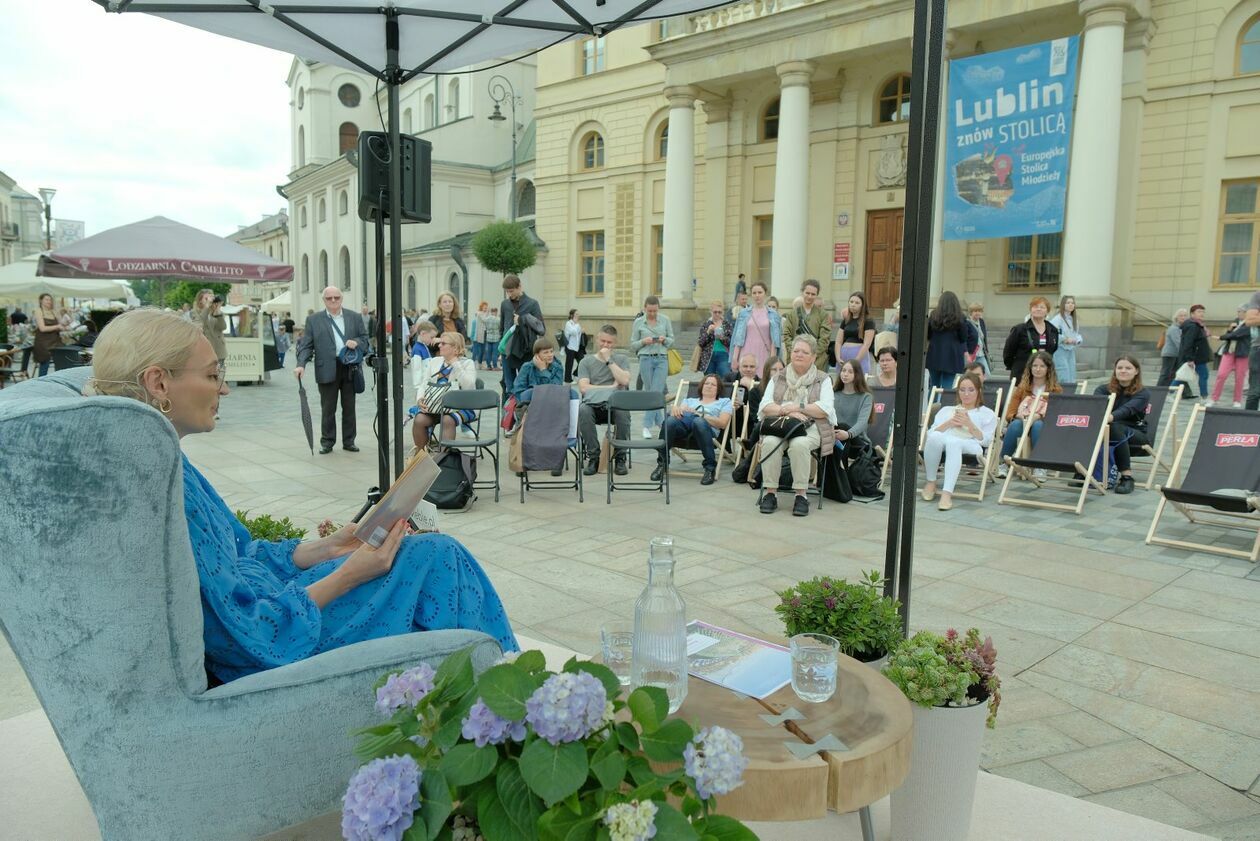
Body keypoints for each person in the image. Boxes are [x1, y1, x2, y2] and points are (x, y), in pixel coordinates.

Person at [85, 308, 517, 683]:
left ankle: (487, 694)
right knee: (438, 556)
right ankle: (511, 707)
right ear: (158, 383)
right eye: (214, 375)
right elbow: (249, 634)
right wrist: (349, 573)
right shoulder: (159, 492)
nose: (225, 389)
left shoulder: (164, 465)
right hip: (273, 643)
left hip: (279, 603)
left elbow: (242, 554)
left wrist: (328, 547)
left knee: (430, 554)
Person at [757, 337, 837, 517]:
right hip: (782, 425)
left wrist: (798, 407)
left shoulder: (822, 380)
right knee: (769, 442)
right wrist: (788, 412)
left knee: (799, 444)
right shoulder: (779, 378)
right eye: (796, 351)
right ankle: (770, 493)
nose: (799, 354)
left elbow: (825, 409)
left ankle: (801, 495)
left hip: (812, 427)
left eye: (804, 352)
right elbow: (765, 406)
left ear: (814, 357)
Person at [294, 286, 369, 454]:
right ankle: (327, 441)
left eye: (336, 297)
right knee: (328, 408)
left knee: (349, 407)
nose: (333, 300)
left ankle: (349, 441)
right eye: (329, 298)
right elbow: (306, 345)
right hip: (326, 367)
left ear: (341, 299)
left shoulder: (354, 317)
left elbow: (365, 340)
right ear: (324, 300)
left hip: (349, 366)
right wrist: (301, 364)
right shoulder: (314, 320)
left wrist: (356, 342)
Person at [921, 373, 998, 511]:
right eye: (962, 390)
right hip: (947, 441)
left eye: (971, 390)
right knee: (937, 438)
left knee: (954, 442)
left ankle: (947, 493)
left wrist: (969, 424)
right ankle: (931, 481)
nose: (966, 394)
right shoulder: (947, 410)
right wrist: (950, 422)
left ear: (978, 391)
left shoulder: (987, 413)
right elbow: (931, 434)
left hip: (972, 444)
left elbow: (986, 441)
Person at [651, 373, 732, 486]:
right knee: (669, 421)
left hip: (705, 429)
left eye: (713, 384)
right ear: (702, 386)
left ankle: (710, 468)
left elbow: (723, 423)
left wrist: (700, 415)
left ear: (718, 389)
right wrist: (675, 409)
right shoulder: (689, 400)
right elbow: (679, 415)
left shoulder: (725, 402)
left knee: (698, 421)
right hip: (685, 427)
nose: (709, 386)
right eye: (706, 383)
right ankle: (662, 464)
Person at [576, 325, 632, 477]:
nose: (605, 345)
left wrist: (609, 360)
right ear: (597, 340)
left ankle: (620, 457)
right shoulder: (586, 362)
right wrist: (612, 387)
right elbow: (583, 388)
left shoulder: (621, 359)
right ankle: (594, 457)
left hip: (615, 407)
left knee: (623, 411)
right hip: (594, 406)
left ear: (615, 343)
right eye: (603, 341)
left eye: (609, 342)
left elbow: (625, 381)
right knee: (583, 410)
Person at [996, 353, 1063, 478]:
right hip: (1022, 422)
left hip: (1043, 425)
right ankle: (1004, 463)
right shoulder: (1023, 388)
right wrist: (1021, 417)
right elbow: (1010, 411)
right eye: (1035, 366)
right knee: (1015, 424)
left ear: (1048, 369)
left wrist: (1038, 417)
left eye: (1042, 366)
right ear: (1030, 368)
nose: (1037, 369)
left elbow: (1056, 413)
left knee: (1037, 425)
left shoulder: (1055, 390)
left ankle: (1039, 466)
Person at [1093, 356, 1151, 495]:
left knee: (1114, 427)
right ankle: (1087, 471)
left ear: (1136, 371)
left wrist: (1109, 417)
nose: (1123, 371)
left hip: (1136, 435)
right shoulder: (1102, 390)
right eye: (1120, 368)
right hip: (1106, 430)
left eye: (1128, 368)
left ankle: (1127, 477)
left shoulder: (1143, 393)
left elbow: (1127, 410)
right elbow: (1096, 408)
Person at [411, 331, 477, 450]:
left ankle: (444, 459)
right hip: (435, 406)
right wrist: (420, 399)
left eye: (443, 343)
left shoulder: (467, 363)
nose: (439, 345)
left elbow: (469, 386)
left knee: (447, 419)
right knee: (420, 419)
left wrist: (455, 364)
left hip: (460, 407)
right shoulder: (435, 361)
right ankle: (420, 457)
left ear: (455, 347)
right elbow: (424, 384)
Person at [630, 295, 675, 438]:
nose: (652, 314)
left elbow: (672, 341)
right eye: (649, 311)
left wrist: (664, 340)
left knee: (656, 392)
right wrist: (643, 341)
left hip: (662, 359)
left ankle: (646, 426)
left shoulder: (665, 320)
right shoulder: (638, 322)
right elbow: (632, 345)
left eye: (655, 311)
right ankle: (661, 422)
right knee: (651, 393)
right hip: (645, 359)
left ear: (658, 308)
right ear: (645, 308)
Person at [499, 275, 544, 400]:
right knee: (508, 385)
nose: (509, 294)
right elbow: (502, 328)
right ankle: (508, 415)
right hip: (507, 351)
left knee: (525, 383)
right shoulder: (505, 304)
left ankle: (522, 413)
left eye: (511, 291)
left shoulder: (532, 304)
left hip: (525, 350)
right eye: (507, 291)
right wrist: (500, 349)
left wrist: (523, 320)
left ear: (519, 287)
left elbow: (541, 328)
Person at [925, 291, 976, 391]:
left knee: (934, 386)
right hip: (953, 356)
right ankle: (943, 405)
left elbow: (928, 334)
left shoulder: (933, 315)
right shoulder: (960, 317)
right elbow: (963, 337)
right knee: (947, 386)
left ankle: (932, 405)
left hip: (935, 353)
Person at [1002, 296, 1059, 384]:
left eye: (1042, 307)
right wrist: (1015, 366)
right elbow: (1008, 351)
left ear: (1047, 311)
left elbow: (1053, 349)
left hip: (1044, 375)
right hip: (1022, 373)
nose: (1038, 309)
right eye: (1035, 307)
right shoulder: (1019, 329)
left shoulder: (1053, 330)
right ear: (1031, 310)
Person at [731, 281, 783, 374]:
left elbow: (775, 341)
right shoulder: (744, 313)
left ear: (765, 294)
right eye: (754, 293)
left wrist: (772, 360)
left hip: (765, 353)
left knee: (763, 381)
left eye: (760, 292)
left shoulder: (773, 314)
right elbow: (738, 338)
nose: (757, 295)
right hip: (746, 351)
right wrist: (735, 358)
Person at [782, 279, 832, 372]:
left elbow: (825, 338)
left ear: (817, 295)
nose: (810, 296)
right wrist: (795, 352)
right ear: (802, 292)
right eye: (807, 293)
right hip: (795, 359)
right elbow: (786, 335)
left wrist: (812, 355)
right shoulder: (792, 314)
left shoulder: (823, 315)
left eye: (813, 294)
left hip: (817, 360)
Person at [1212, 306, 1251, 408]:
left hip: (1242, 353)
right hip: (1229, 351)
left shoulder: (1250, 323)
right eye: (1238, 311)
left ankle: (1237, 400)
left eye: (1240, 311)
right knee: (1221, 374)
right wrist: (1229, 330)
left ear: (1247, 312)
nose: (1238, 313)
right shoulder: (1235, 322)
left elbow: (1237, 334)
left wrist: (1221, 337)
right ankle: (1214, 398)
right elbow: (1230, 334)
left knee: (1239, 377)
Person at [511, 336, 567, 406]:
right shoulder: (527, 367)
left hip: (551, 404)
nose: (550, 355)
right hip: (530, 405)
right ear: (537, 355)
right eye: (546, 352)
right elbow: (518, 390)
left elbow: (556, 389)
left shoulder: (557, 367)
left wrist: (543, 370)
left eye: (551, 351)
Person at [1172, 304, 1213, 400]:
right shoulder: (1192, 326)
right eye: (1199, 312)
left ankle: (1169, 393)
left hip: (1196, 356)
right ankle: (1204, 397)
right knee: (1203, 375)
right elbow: (1188, 343)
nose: (1202, 314)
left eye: (1203, 312)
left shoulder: (1197, 325)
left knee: (1182, 376)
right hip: (1195, 357)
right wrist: (1190, 359)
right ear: (1192, 314)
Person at [833, 359, 874, 449]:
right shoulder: (833, 394)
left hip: (857, 442)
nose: (845, 374)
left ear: (857, 375)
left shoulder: (866, 397)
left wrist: (848, 434)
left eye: (850, 372)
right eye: (843, 370)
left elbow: (863, 422)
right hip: (834, 440)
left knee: (842, 426)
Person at [834, 291, 877, 374]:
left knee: (858, 382)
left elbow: (867, 344)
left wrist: (856, 360)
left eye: (857, 303)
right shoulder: (846, 320)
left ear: (862, 305)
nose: (853, 304)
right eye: (851, 302)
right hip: (843, 354)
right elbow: (838, 341)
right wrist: (838, 357)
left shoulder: (868, 321)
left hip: (858, 355)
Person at [697, 300, 735, 378]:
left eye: (719, 312)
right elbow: (700, 343)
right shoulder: (706, 324)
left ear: (722, 312)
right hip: (708, 356)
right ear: (711, 312)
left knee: (726, 376)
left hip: (723, 354)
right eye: (715, 312)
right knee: (709, 378)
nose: (717, 314)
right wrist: (708, 332)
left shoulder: (726, 324)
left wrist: (722, 337)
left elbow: (731, 342)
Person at [1049, 295, 1082, 385]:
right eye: (1068, 303)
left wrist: (1077, 339)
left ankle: (1070, 395)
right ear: (1063, 304)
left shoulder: (1073, 319)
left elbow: (1076, 334)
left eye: (1072, 303)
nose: (1071, 305)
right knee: (1063, 374)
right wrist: (1064, 339)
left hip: (1070, 350)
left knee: (1071, 374)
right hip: (1060, 350)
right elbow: (1052, 334)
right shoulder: (1057, 319)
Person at [191, 289, 227, 364]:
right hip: (203, 351)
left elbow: (223, 327)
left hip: (218, 351)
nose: (209, 301)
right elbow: (199, 323)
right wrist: (206, 307)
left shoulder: (217, 313)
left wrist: (217, 311)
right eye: (206, 299)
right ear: (200, 301)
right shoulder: (194, 313)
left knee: (219, 375)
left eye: (211, 298)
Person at [31, 293, 62, 377]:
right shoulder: (39, 311)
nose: (49, 301)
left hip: (56, 341)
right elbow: (42, 328)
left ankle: (58, 383)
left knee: (60, 364)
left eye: (50, 300)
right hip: (43, 343)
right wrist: (57, 326)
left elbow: (61, 324)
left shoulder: (53, 311)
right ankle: (41, 385)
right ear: (41, 300)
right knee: (45, 365)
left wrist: (61, 323)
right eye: (47, 299)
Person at [1156, 308, 1188, 387]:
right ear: (1176, 317)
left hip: (1175, 354)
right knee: (1165, 374)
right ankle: (1158, 392)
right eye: (1181, 316)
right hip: (1169, 354)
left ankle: (1168, 392)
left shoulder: (1181, 328)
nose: (1183, 317)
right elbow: (1178, 343)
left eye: (1185, 316)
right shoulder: (1174, 328)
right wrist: (1186, 353)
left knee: (1173, 374)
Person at [966, 302, 991, 375]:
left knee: (987, 374)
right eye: (975, 311)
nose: (978, 313)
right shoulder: (967, 323)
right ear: (971, 312)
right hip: (971, 354)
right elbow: (964, 339)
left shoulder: (981, 321)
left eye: (979, 311)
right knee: (969, 375)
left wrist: (986, 350)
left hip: (981, 353)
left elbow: (984, 338)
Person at [561, 308, 585, 382]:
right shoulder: (569, 323)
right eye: (576, 314)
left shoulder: (577, 324)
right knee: (569, 364)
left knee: (582, 361)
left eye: (578, 314)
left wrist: (581, 331)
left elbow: (578, 334)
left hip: (577, 347)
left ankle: (575, 373)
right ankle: (567, 379)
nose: (578, 315)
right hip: (570, 346)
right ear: (572, 315)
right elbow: (573, 332)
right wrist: (579, 329)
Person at [471, 301, 491, 369]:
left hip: (485, 333)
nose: (485, 309)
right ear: (481, 307)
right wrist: (488, 313)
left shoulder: (486, 314)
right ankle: (472, 362)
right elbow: (485, 320)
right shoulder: (479, 313)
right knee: (475, 350)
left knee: (483, 350)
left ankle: (480, 363)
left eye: (486, 308)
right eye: (484, 308)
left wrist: (488, 314)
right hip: (479, 334)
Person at [484, 307, 501, 371]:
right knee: (494, 353)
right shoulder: (498, 319)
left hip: (488, 337)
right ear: (496, 312)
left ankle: (488, 366)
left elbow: (485, 326)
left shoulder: (487, 319)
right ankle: (495, 366)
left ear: (491, 312)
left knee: (488, 353)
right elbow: (500, 327)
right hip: (496, 338)